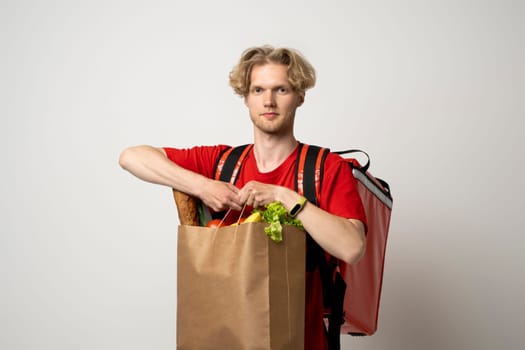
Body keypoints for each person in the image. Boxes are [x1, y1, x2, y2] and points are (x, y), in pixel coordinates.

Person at [119, 45, 367, 350]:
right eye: (258, 89)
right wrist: (203, 186)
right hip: (225, 339)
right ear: (246, 98)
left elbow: (352, 247)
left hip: (303, 342)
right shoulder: (223, 162)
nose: (269, 101)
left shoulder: (325, 169)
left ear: (300, 96)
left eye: (282, 89)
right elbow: (132, 157)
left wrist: (284, 196)